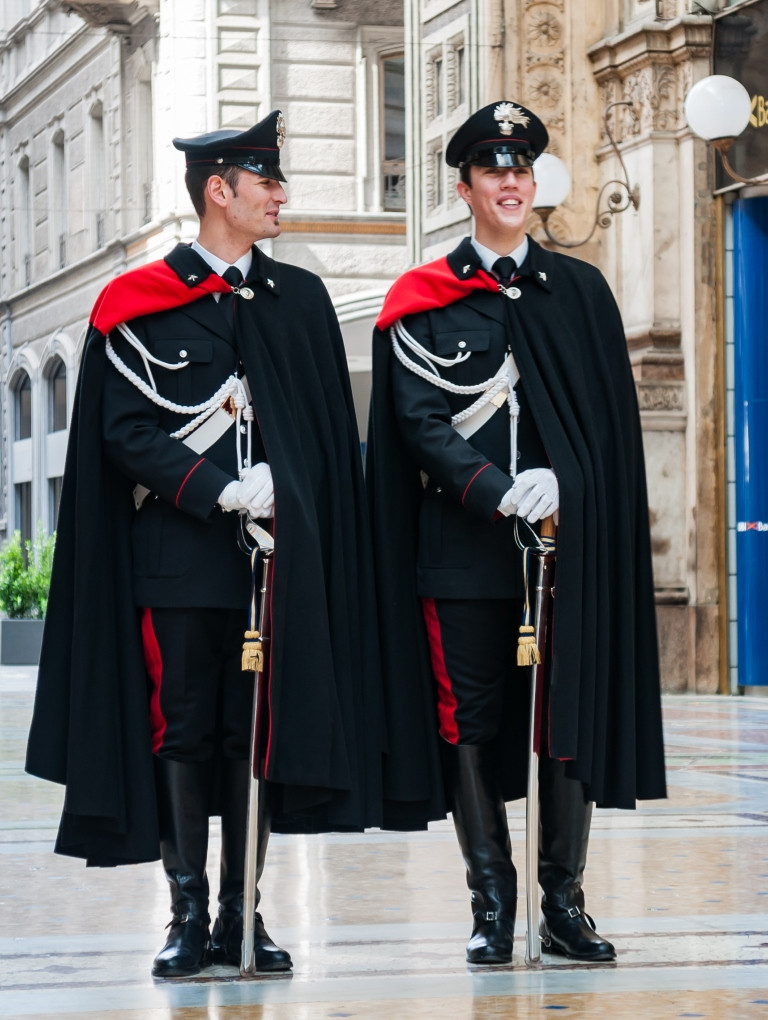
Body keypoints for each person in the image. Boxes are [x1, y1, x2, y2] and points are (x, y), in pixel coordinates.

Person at [25, 111, 386, 979]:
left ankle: (243, 916)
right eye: (266, 182)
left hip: (275, 563)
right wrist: (218, 487)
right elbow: (121, 430)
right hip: (180, 561)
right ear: (218, 191)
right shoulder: (139, 300)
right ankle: (187, 914)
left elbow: (327, 436)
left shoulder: (298, 300)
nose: (281, 195)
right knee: (183, 731)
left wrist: (288, 489)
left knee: (251, 736)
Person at [366, 100, 667, 965]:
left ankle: (563, 900)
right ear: (464, 187)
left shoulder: (578, 292)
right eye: (493, 171)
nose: (510, 182)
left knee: (561, 720)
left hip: (565, 551)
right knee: (470, 719)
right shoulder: (423, 298)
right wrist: (500, 491)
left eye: (522, 170)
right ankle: (491, 899)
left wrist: (564, 483)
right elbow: (418, 420)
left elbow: (609, 429)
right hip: (461, 553)